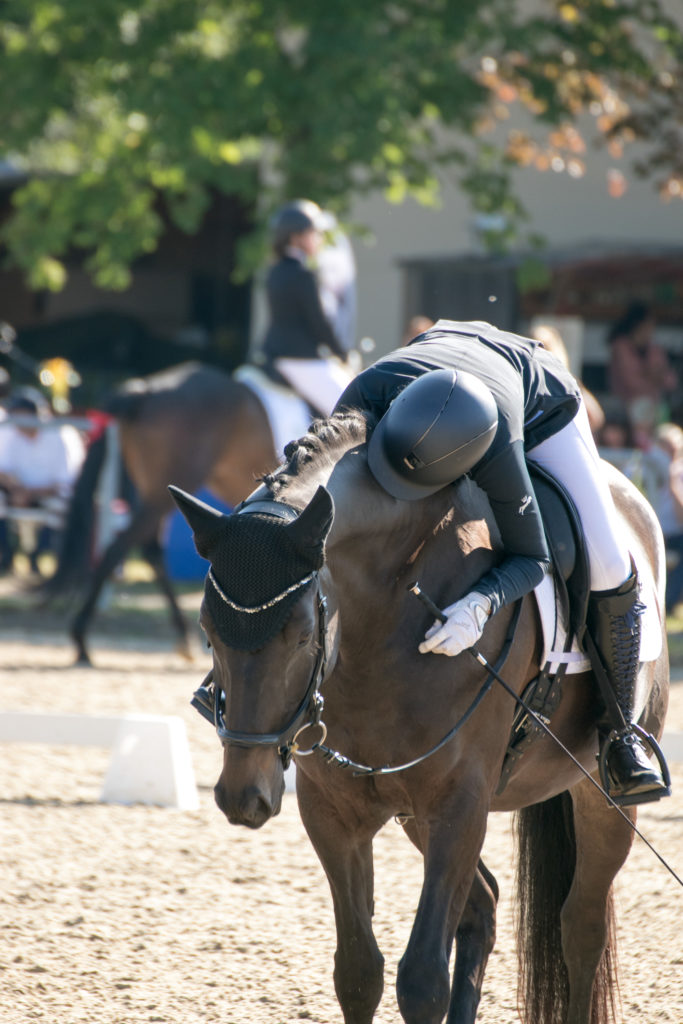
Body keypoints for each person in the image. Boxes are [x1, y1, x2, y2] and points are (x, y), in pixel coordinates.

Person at [334, 318, 670, 807]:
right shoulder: (364, 392)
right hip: (437, 363)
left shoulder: (499, 447)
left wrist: (480, 602)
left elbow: (531, 556)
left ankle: (621, 733)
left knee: (607, 562)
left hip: (541, 400)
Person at [260, 199, 356, 417]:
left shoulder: (273, 272)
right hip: (301, 359)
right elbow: (319, 323)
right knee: (353, 410)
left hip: (273, 355)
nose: (319, 239)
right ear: (296, 238)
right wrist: (342, 353)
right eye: (314, 233)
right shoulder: (304, 275)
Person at [0, 390, 85, 573]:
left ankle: (37, 556)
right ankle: (6, 555)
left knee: (61, 506)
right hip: (17, 493)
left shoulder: (60, 435)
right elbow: (3, 469)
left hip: (49, 494)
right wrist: (16, 490)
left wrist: (29, 493)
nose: (20, 422)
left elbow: (64, 482)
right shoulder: (10, 432)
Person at [607, 301, 678, 430]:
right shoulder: (621, 347)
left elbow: (671, 382)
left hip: (656, 408)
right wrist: (654, 377)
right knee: (643, 407)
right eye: (648, 325)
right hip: (626, 407)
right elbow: (630, 383)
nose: (651, 329)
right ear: (637, 325)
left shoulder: (655, 349)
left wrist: (653, 375)